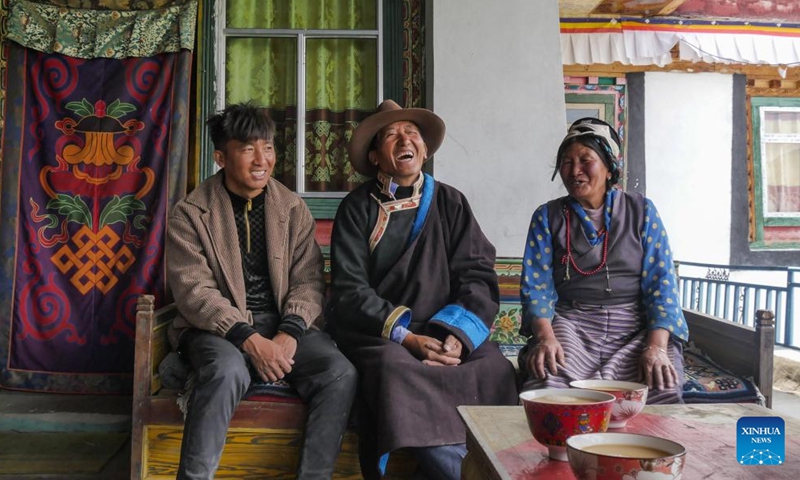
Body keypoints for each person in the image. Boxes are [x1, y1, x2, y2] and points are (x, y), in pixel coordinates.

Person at [327, 99, 518, 480]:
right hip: (384, 337)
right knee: (394, 372)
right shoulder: (355, 208)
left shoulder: (450, 202)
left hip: (445, 332)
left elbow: (477, 273)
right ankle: (464, 472)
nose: (404, 139)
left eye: (411, 133)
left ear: (425, 151)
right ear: (375, 157)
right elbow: (350, 289)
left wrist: (457, 337)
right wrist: (408, 337)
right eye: (391, 135)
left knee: (494, 367)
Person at [166, 102, 358, 480]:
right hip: (217, 329)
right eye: (247, 148)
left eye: (267, 147)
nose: (261, 159)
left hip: (283, 324)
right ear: (221, 157)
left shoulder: (292, 208)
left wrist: (289, 334)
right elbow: (194, 291)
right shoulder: (190, 214)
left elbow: (308, 280)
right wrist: (249, 339)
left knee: (339, 372)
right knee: (225, 372)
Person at [518, 117, 689, 404]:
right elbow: (537, 286)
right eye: (567, 162)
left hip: (634, 324)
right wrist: (546, 337)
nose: (575, 171)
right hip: (571, 321)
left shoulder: (642, 211)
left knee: (660, 383)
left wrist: (657, 346)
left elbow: (662, 283)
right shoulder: (547, 216)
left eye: (586, 160)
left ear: (609, 167)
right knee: (549, 380)